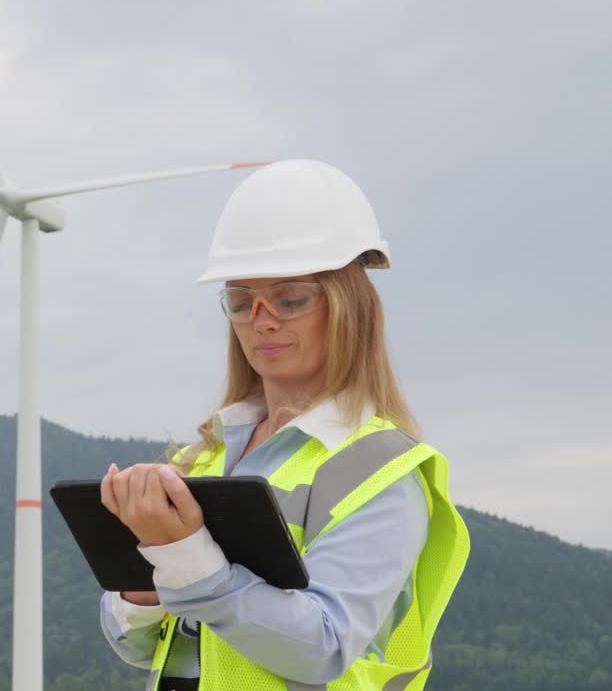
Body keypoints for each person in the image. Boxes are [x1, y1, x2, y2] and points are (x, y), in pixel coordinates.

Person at [97, 160, 470, 691]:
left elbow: (324, 647)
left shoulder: (380, 471)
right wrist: (145, 577)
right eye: (243, 302)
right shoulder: (206, 456)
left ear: (349, 307)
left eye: (290, 299)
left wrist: (184, 554)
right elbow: (138, 648)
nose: (263, 319)